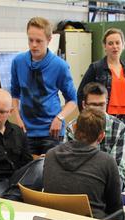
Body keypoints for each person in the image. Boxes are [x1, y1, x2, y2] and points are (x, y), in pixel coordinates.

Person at [11, 17, 77, 155]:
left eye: (39, 41)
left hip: (52, 132)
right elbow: (14, 94)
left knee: (49, 167)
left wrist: (59, 118)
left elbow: (73, 100)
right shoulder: (18, 62)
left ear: (49, 40)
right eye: (30, 40)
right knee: (26, 167)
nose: (34, 45)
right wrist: (17, 119)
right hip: (26, 131)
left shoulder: (60, 66)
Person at [44, 109, 122, 219]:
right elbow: (116, 209)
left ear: (74, 128)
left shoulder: (50, 155)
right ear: (101, 136)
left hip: (53, 219)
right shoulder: (107, 162)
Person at [77, 28, 125, 134]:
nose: (114, 46)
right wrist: (85, 116)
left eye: (118, 43)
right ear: (105, 46)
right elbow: (81, 92)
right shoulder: (96, 68)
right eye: (110, 43)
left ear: (123, 45)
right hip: (103, 118)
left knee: (121, 145)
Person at [66, 82, 125, 189]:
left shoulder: (119, 128)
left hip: (110, 176)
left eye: (101, 104)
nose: (98, 109)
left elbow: (114, 167)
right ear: (84, 105)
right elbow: (69, 162)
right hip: (80, 175)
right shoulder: (72, 128)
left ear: (107, 103)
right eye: (93, 105)